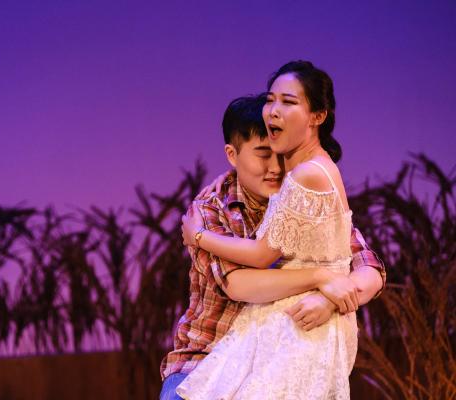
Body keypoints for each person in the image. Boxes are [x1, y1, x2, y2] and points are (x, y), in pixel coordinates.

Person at [160, 62, 385, 400]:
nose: (274, 167)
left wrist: (331, 298)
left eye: (278, 154)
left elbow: (369, 266)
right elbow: (240, 285)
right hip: (207, 356)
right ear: (232, 156)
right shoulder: (210, 209)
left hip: (277, 346)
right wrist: (320, 278)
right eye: (263, 154)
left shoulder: (300, 191)